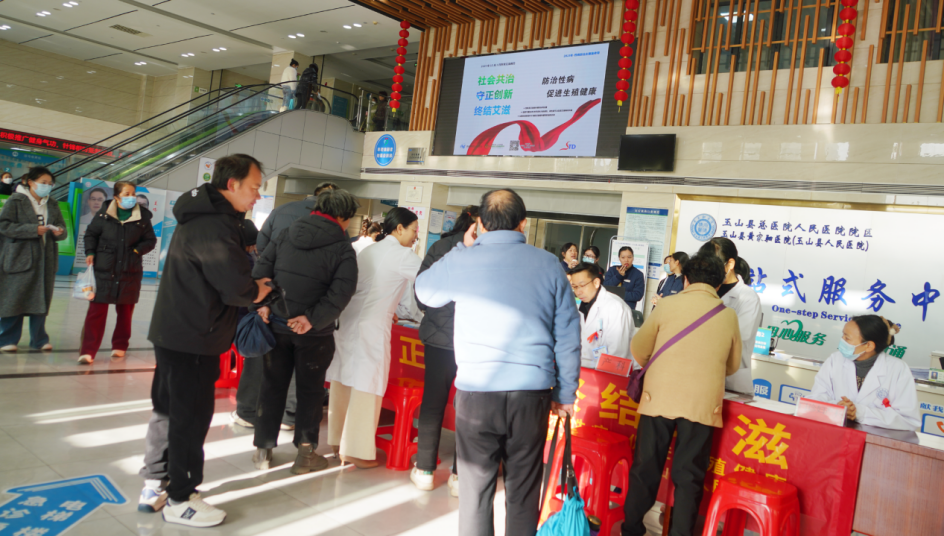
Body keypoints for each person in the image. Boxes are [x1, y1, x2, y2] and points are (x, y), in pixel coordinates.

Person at [415, 189, 581, 536]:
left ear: (480, 223)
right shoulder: (549, 264)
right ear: (524, 223)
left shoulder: (464, 259)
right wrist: (565, 394)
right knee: (523, 490)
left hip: (476, 393)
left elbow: (425, 292)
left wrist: (461, 248)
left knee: (475, 494)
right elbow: (568, 334)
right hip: (531, 394)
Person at [145, 154, 272, 528]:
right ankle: (181, 499)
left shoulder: (202, 216)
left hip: (175, 329)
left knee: (167, 410)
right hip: (195, 335)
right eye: (254, 188)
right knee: (189, 416)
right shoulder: (215, 225)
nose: (257, 196)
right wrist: (259, 289)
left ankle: (155, 484)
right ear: (232, 184)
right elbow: (235, 287)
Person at [621, 253, 742, 536]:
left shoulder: (667, 305)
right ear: (718, 283)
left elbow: (639, 349)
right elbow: (732, 365)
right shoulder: (728, 315)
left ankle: (631, 530)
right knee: (689, 478)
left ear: (686, 279)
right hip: (701, 405)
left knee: (645, 469)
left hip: (658, 398)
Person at [251, 188, 360, 474]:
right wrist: (311, 319)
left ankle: (263, 449)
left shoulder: (286, 233)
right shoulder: (343, 248)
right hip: (314, 335)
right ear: (343, 217)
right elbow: (342, 292)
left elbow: (261, 272)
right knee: (310, 391)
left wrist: (265, 305)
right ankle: (305, 454)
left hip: (276, 326)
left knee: (272, 386)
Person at [234, 181, 338, 431]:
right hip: (307, 304)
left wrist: (265, 296)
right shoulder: (334, 224)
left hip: (272, 295)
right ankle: (288, 416)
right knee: (297, 357)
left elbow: (261, 247)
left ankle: (247, 412)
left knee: (261, 352)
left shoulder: (282, 211)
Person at [326, 207, 421, 468]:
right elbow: (429, 280)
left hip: (348, 321)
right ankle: (355, 450)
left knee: (343, 379)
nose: (416, 236)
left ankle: (337, 441)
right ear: (399, 228)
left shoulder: (369, 250)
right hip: (372, 325)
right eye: (414, 230)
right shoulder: (402, 255)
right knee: (367, 383)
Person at [410, 205, 479, 496]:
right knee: (469, 408)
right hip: (473, 343)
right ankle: (460, 477)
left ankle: (425, 470)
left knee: (433, 402)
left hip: (439, 341)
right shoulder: (489, 251)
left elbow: (420, 293)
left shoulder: (440, 247)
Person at [78, 181, 157, 364]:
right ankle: (88, 351)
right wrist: (90, 252)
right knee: (96, 311)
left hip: (130, 270)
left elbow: (150, 240)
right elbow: (91, 234)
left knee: (125, 312)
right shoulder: (104, 214)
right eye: (127, 194)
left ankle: (120, 345)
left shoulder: (142, 216)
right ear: (116, 197)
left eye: (133, 193)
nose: (131, 197)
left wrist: (136, 251)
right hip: (104, 268)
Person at [810, 315, 920, 430]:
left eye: (847, 338)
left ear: (869, 346)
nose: (842, 340)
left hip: (876, 438)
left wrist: (859, 412)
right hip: (835, 433)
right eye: (842, 335)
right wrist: (839, 407)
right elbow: (815, 399)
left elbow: (908, 420)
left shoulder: (898, 369)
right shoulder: (835, 360)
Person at [0, 167, 66, 353]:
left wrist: (59, 232)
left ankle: (39, 339)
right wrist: (32, 230)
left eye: (50, 184)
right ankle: (7, 339)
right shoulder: (16, 200)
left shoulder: (52, 203)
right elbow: (4, 225)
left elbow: (62, 227)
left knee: (41, 299)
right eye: (43, 183)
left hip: (45, 258)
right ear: (30, 182)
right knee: (14, 298)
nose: (47, 186)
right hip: (19, 257)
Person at [698, 237, 761, 395]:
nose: (708, 271)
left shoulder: (748, 297)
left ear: (730, 264)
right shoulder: (703, 290)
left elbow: (741, 335)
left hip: (731, 380)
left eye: (712, 265)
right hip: (699, 375)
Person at [568, 262, 636, 369]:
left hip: (614, 371)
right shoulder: (579, 306)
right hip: (586, 369)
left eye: (582, 286)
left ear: (596, 282)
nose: (578, 292)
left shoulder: (615, 307)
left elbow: (617, 353)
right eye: (575, 287)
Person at [256, 182, 337, 252]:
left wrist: (269, 261)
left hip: (277, 261)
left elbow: (262, 241)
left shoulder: (281, 209)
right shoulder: (333, 218)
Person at [604, 246, 646, 310]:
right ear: (619, 259)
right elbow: (605, 287)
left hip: (627, 309)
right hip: (610, 307)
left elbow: (638, 295)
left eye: (629, 257)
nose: (626, 260)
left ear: (633, 258)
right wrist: (618, 276)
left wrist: (619, 293)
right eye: (623, 257)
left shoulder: (638, 274)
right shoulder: (612, 270)